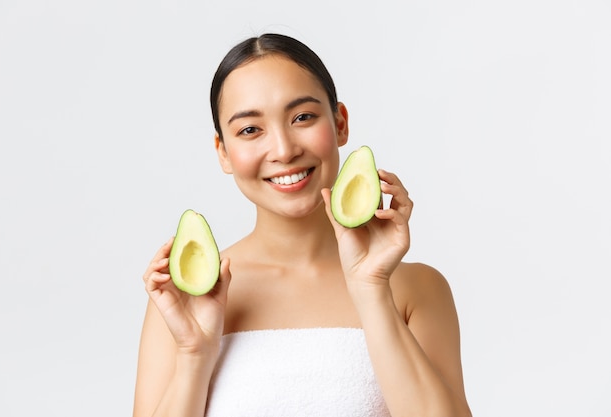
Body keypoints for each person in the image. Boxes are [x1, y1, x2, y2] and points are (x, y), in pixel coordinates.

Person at [133, 33, 472, 417]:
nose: (283, 150)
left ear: (340, 122)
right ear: (223, 152)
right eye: (249, 130)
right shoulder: (184, 300)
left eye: (303, 118)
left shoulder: (416, 289)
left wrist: (371, 288)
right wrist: (194, 354)